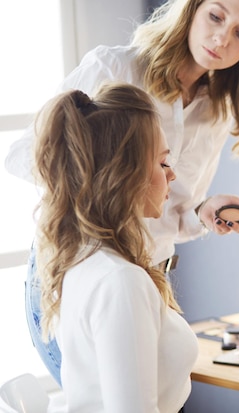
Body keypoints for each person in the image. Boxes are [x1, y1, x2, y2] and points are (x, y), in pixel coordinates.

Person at [4, 0, 239, 386]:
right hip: (84, 275)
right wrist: (110, 191)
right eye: (216, 16)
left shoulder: (218, 111)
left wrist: (204, 210)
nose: (222, 38)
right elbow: (24, 156)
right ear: (192, 10)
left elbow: (174, 217)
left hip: (152, 279)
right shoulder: (116, 68)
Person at [33, 83, 197, 411]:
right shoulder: (120, 281)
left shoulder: (82, 260)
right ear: (127, 175)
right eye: (163, 163)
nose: (173, 175)